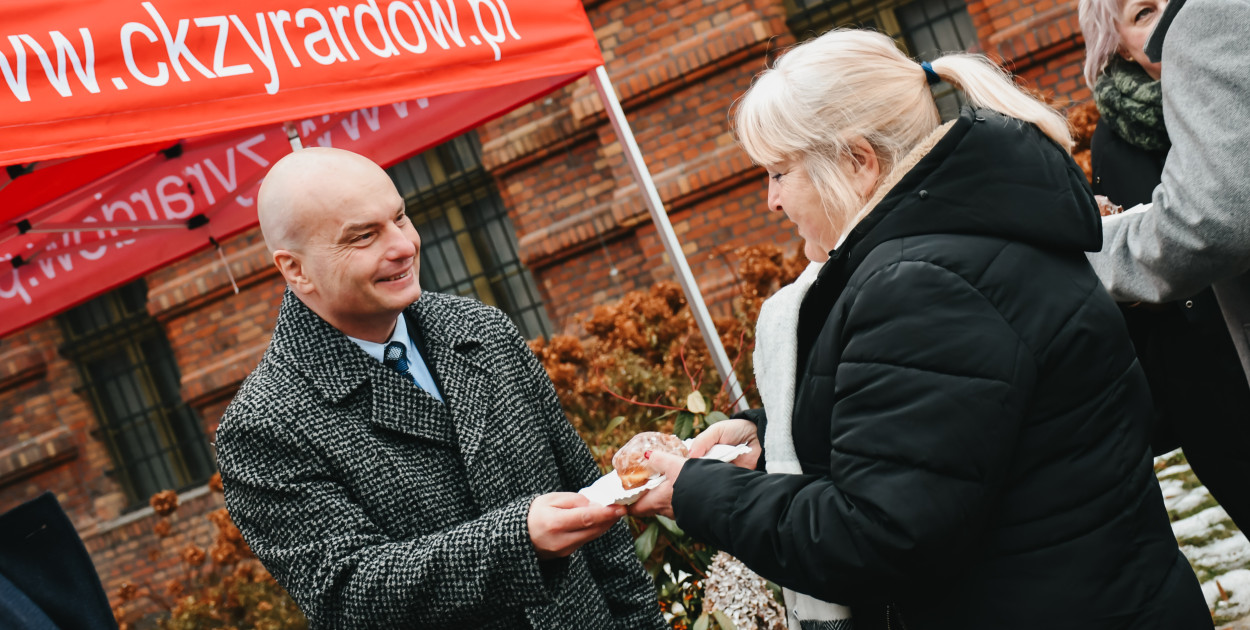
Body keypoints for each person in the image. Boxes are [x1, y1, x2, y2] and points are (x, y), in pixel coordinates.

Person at [629, 29, 1211, 629]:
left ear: (857, 162)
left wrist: (696, 493)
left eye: (780, 173)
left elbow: (874, 535)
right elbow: (945, 426)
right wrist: (769, 438)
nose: (771, 201)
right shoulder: (974, 232)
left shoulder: (922, 285)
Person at [214, 147, 665, 630]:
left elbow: (595, 503)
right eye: (363, 236)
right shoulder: (262, 426)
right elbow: (349, 595)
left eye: (400, 217)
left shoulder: (482, 329)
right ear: (295, 269)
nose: (404, 245)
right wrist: (517, 541)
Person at [1079, 0, 1250, 531]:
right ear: (1118, 46)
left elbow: (1203, 224)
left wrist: (1094, 250)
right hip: (1207, 385)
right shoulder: (1114, 139)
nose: (1164, 19)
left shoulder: (1213, 48)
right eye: (1142, 12)